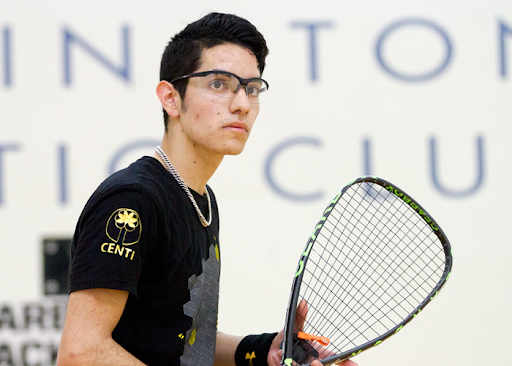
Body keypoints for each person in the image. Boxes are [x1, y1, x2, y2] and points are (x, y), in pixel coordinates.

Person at [56, 12, 358, 366]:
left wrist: (264, 352)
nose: (242, 104)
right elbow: (82, 352)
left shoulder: (200, 200)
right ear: (170, 98)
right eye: (219, 84)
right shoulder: (134, 200)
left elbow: (184, 342)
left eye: (252, 88)